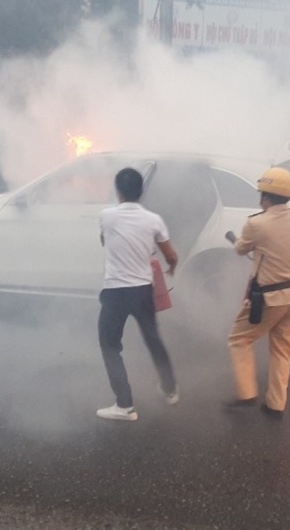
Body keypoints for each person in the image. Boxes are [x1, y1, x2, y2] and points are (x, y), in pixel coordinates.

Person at [224, 167, 290, 420]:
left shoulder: (256, 223)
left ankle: (246, 395)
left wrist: (238, 241)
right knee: (282, 351)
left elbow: (241, 249)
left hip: (268, 298)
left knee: (238, 340)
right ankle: (276, 405)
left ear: (265, 196)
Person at [95, 167, 179, 421]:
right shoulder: (154, 220)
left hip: (116, 292)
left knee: (110, 345)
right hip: (143, 291)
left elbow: (104, 241)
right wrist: (171, 268)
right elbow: (171, 255)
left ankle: (124, 405)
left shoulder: (106, 216)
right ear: (141, 192)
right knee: (153, 339)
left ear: (117, 190)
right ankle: (170, 390)